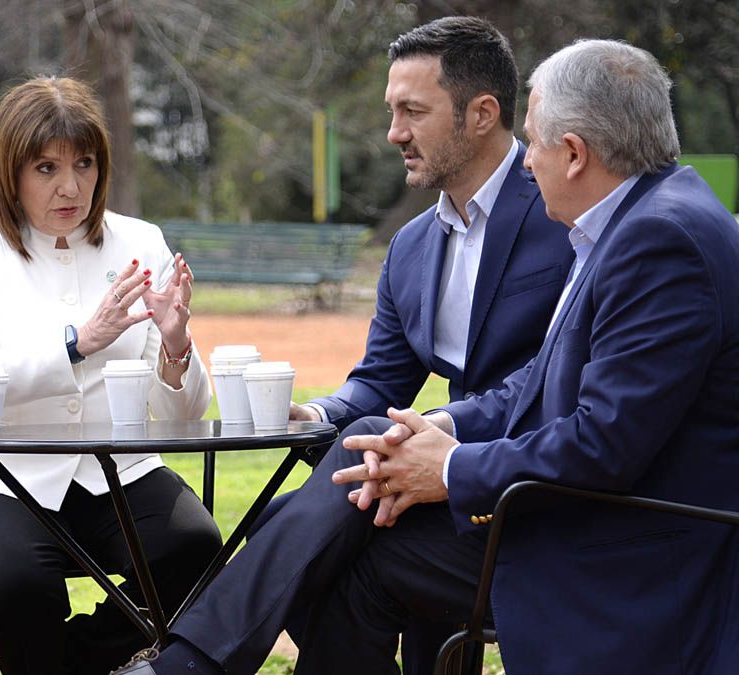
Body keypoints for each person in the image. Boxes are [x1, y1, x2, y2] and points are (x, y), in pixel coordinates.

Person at [113, 16, 572, 674]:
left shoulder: (560, 214)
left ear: (482, 114)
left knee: (316, 539)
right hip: (425, 487)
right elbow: (380, 381)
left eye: (413, 111)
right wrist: (316, 414)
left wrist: (431, 431)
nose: (394, 134)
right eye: (391, 112)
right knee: (295, 512)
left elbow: (551, 381)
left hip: (524, 487)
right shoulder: (413, 247)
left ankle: (188, 662)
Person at [317, 38, 739, 674]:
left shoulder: (657, 240)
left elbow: (604, 444)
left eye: (535, 144)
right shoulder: (632, 221)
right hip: (596, 512)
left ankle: (192, 654)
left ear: (574, 155)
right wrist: (445, 428)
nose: (524, 164)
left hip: (637, 550)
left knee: (355, 560)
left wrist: (455, 470)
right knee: (360, 533)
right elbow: (541, 385)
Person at [0, 76, 223, 675]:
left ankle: (84, 664)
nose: (71, 186)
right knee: (14, 583)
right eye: (46, 168)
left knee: (195, 548)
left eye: (84, 164)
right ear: (9, 171)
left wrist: (174, 344)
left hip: (115, 467)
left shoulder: (141, 241)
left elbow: (182, 419)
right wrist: (77, 343)